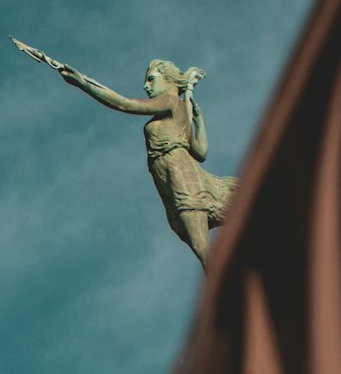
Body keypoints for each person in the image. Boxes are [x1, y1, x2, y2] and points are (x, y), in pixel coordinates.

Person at [57, 57, 237, 271]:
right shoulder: (180, 110)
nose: (146, 86)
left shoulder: (170, 101)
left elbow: (125, 103)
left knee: (202, 247)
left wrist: (83, 84)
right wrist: (199, 121)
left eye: (151, 80)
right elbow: (200, 151)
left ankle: (229, 288)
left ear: (169, 80)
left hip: (179, 174)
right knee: (200, 246)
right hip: (170, 177)